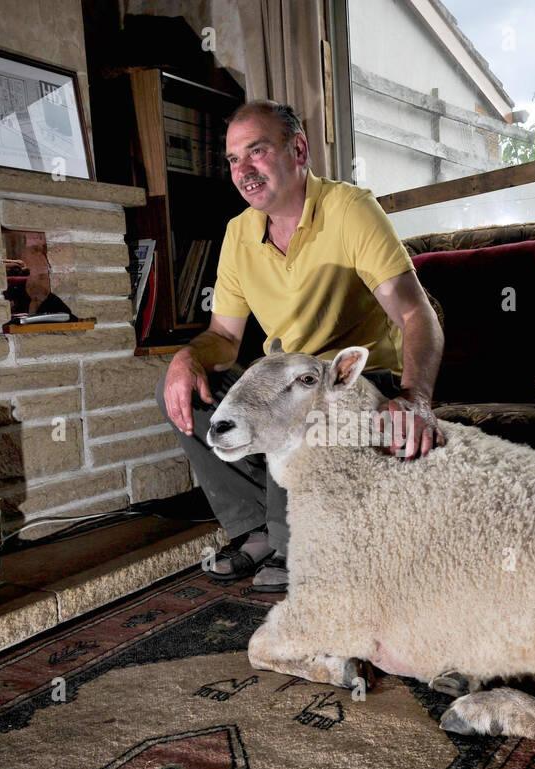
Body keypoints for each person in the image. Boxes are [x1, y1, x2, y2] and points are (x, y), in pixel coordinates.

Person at [157, 100, 444, 592]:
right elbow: (223, 339)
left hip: (356, 377)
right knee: (193, 389)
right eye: (232, 160)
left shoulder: (350, 208)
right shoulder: (236, 234)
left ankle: (299, 545)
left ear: (299, 149)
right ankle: (256, 530)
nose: (243, 170)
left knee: (294, 397)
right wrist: (186, 359)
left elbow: (417, 315)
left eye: (257, 151)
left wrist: (416, 399)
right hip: (284, 377)